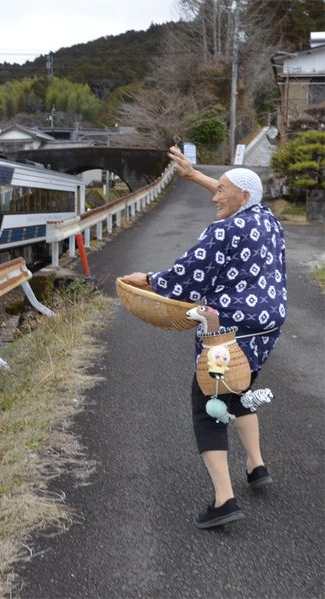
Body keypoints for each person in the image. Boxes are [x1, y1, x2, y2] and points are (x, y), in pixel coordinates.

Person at [122, 146, 287, 529]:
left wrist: (149, 280)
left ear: (242, 197)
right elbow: (237, 191)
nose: (215, 196)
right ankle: (256, 465)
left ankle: (224, 500)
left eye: (220, 191)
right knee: (239, 390)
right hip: (267, 322)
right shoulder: (265, 217)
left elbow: (187, 276)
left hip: (229, 327)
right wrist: (195, 175)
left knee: (208, 404)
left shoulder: (223, 230)